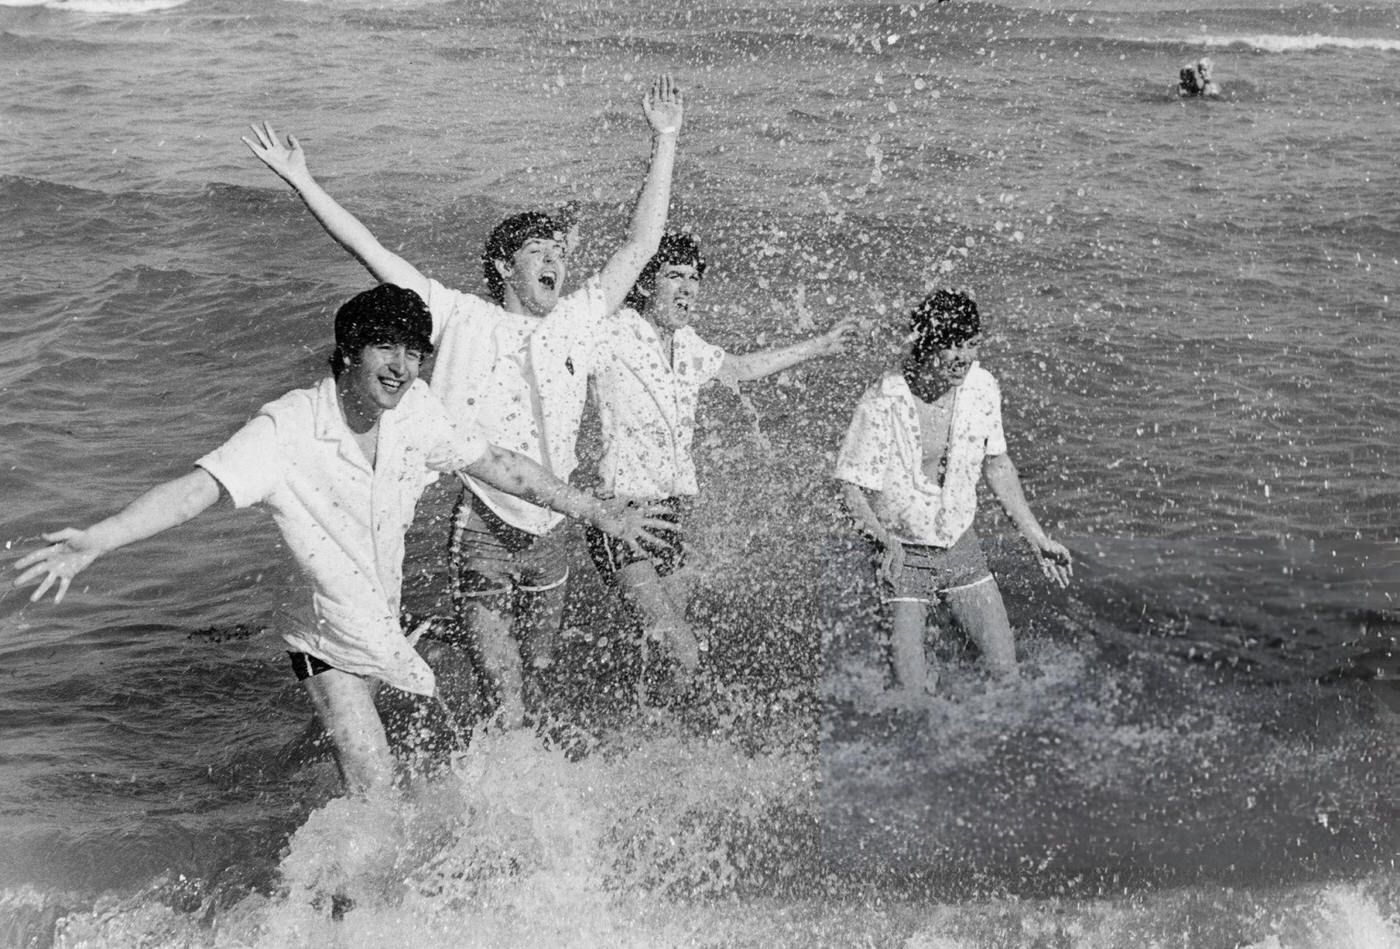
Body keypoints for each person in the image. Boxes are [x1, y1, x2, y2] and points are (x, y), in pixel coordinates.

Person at [12, 285, 671, 796]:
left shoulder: (413, 411)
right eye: (389, 348)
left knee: (360, 728)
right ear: (352, 350)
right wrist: (97, 539)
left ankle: (275, 773)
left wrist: (593, 509)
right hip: (323, 634)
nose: (404, 366)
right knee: (374, 776)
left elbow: (498, 463)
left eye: (416, 353)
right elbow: (196, 491)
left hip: (378, 613)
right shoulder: (288, 428)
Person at [242, 75, 685, 727]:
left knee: (533, 683)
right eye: (541, 250)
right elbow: (372, 253)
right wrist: (303, 181)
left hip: (552, 529)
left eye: (561, 251)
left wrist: (665, 139)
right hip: (481, 523)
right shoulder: (455, 314)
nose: (557, 260)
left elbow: (640, 244)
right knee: (504, 703)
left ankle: (434, 640)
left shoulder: (580, 317)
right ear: (506, 266)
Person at [586, 232, 856, 687]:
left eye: (694, 279)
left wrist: (818, 346)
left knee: (665, 655)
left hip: (669, 514)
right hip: (620, 512)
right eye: (675, 276)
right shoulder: (610, 333)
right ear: (648, 282)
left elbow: (740, 369)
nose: (688, 288)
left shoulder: (688, 344)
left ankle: (649, 738)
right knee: (684, 648)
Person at [833, 289, 1072, 696]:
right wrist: (881, 540)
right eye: (951, 345)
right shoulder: (883, 399)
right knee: (909, 700)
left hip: (960, 546)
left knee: (1005, 680)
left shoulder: (982, 387)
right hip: (901, 554)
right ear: (927, 343)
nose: (963, 356)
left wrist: (1037, 538)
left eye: (971, 344)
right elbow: (848, 488)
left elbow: (997, 464)